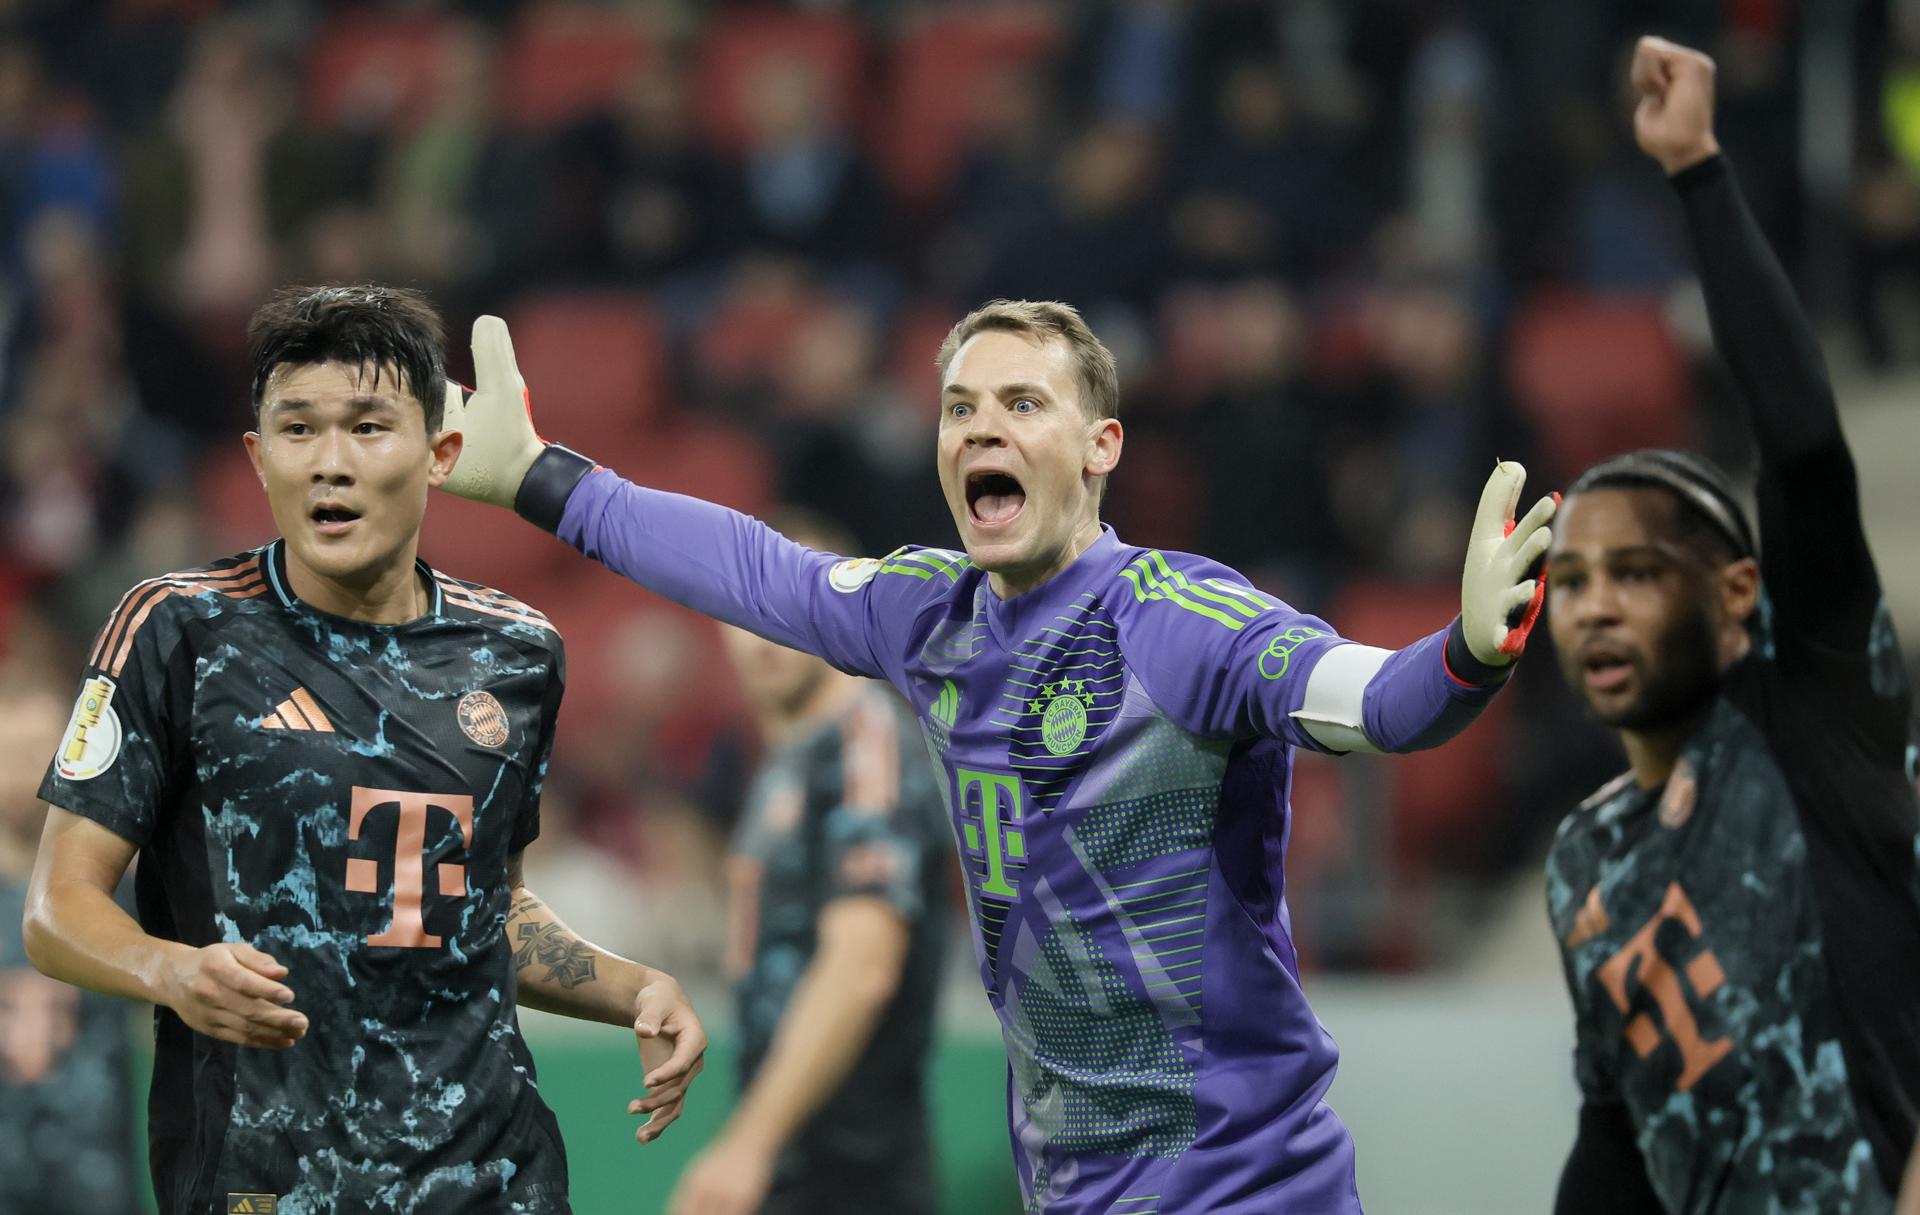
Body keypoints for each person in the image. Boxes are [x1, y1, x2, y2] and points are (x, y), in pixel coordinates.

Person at [438, 296, 1555, 1213]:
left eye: (1023, 403)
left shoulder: (1179, 621)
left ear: (1100, 446)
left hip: (1243, 1191)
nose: (981, 428)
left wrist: (1463, 656)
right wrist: (543, 477)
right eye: (959, 407)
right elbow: (752, 567)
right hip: (1071, 1192)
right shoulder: (930, 617)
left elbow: (1371, 703)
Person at [22, 284, 707, 1215]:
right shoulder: (179, 629)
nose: (330, 464)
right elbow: (56, 907)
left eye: (369, 427)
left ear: (442, 451)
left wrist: (635, 985)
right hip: (263, 1178)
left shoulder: (516, 653)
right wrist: (169, 969)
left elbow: (480, 905)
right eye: (298, 430)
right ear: (259, 460)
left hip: (494, 1178)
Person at [1542, 37, 1920, 1215]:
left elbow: (1803, 452)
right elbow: (1617, 1141)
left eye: (1638, 573)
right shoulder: (1584, 861)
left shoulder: (1813, 720)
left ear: (1736, 598)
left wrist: (1700, 172)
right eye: (1571, 580)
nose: (1596, 602)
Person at [668, 512, 951, 1215]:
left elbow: (862, 964)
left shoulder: (866, 746)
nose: (766, 631)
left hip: (853, 1173)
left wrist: (749, 1144)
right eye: (749, 606)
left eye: (796, 602)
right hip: (802, 1164)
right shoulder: (791, 758)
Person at [1, 674, 143, 1215]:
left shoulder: (116, 894)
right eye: (8, 752)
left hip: (95, 1160)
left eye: (38, 750)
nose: (21, 771)